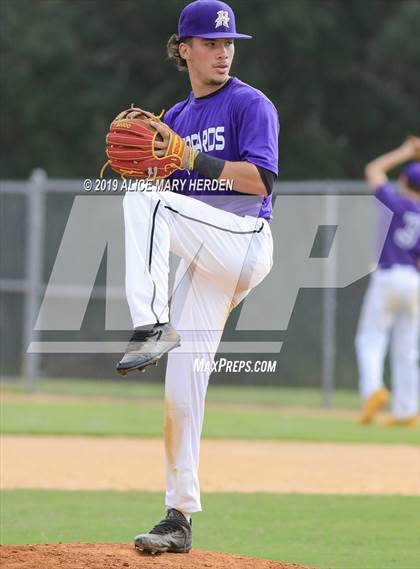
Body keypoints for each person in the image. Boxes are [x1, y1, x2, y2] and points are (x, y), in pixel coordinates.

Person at [114, 0, 279, 554]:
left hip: (245, 241)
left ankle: (150, 323)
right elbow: (168, 184)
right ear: (183, 50)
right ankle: (178, 516)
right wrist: (158, 159)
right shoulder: (176, 119)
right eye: (210, 43)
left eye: (229, 43)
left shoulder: (250, 104)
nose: (223, 51)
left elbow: (258, 182)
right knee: (182, 388)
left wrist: (190, 161)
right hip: (206, 259)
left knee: (145, 201)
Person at [355, 137, 420, 427]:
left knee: (370, 339)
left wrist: (405, 152)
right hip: (415, 282)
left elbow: (373, 170)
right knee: (407, 349)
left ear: (404, 182)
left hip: (389, 276)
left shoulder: (395, 200)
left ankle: (373, 390)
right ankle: (407, 411)